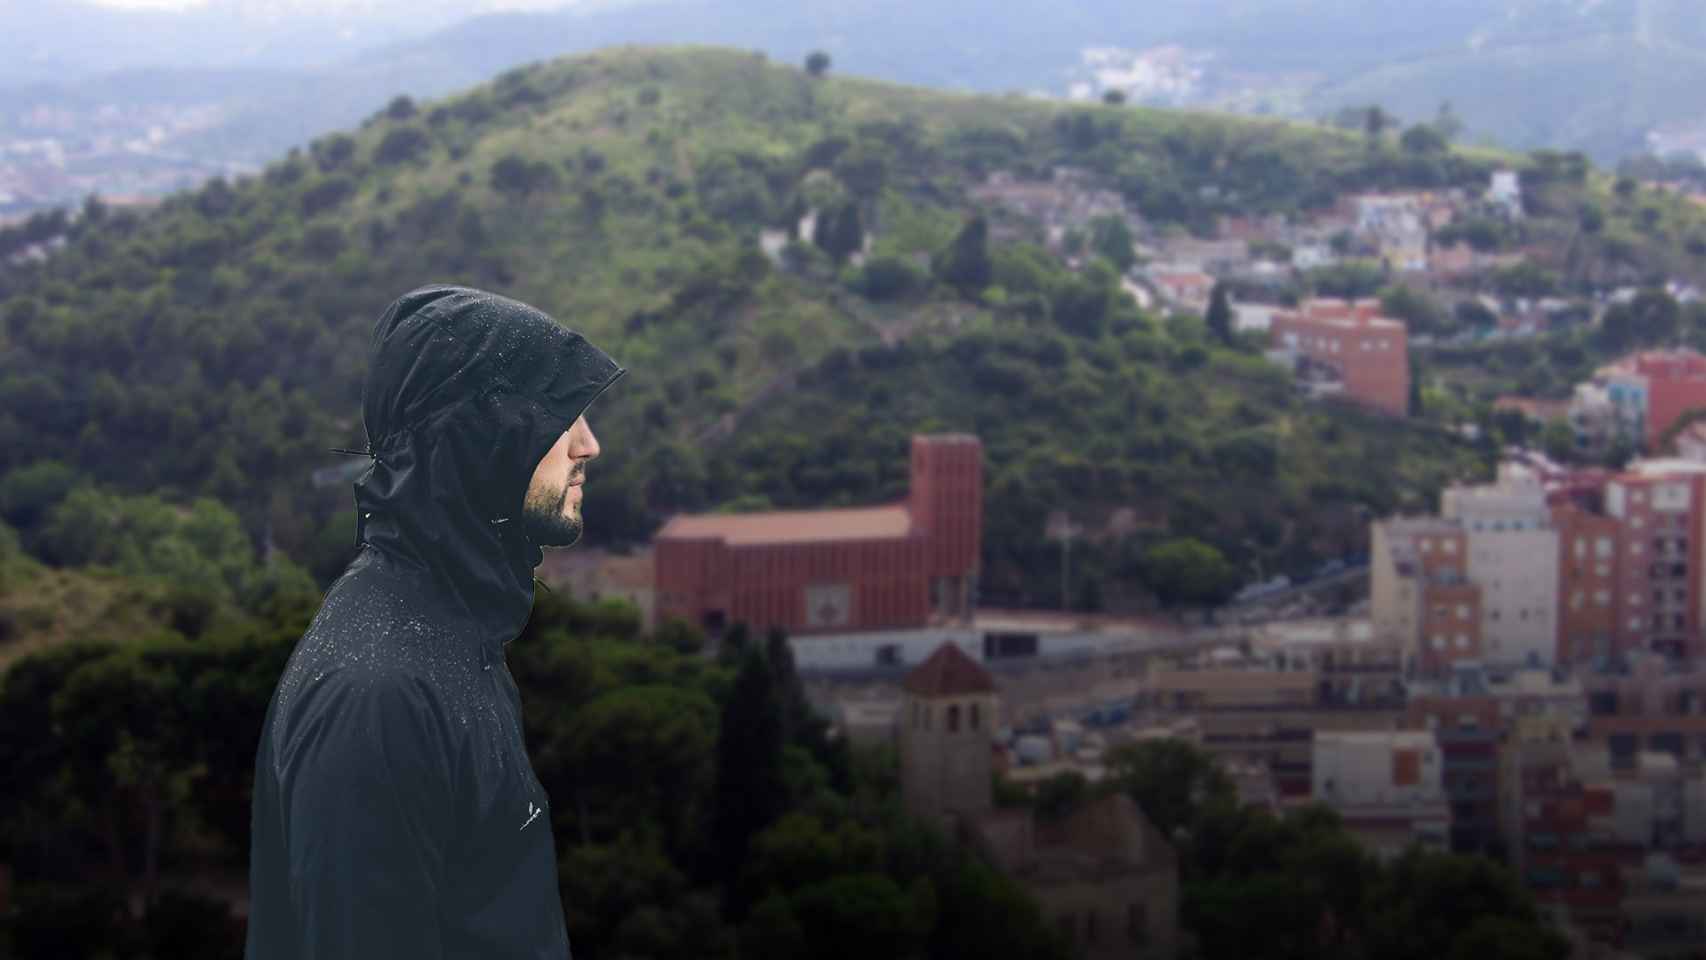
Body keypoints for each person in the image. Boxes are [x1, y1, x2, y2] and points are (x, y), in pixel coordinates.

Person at [244, 284, 626, 959]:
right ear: (475, 440)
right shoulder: (379, 694)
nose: (588, 445)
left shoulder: (451, 634)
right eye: (560, 416)